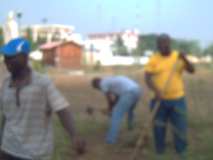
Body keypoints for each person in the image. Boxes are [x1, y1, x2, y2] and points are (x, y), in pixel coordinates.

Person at [0, 37, 86, 160]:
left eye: (12, 56)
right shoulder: (5, 83)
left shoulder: (42, 83)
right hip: (8, 150)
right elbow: (6, 116)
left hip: (34, 154)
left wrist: (74, 135)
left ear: (25, 57)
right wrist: (2, 143)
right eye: (5, 56)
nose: (7, 60)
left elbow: (62, 110)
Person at [144, 34, 195, 158]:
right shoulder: (154, 59)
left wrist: (185, 59)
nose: (162, 46)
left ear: (169, 43)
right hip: (158, 101)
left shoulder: (178, 57)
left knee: (180, 127)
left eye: (164, 43)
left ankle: (181, 151)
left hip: (177, 99)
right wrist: (156, 91)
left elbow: (192, 70)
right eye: (159, 44)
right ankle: (160, 152)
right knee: (159, 127)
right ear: (157, 45)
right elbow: (147, 77)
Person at [92, 76, 142, 144]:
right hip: (137, 90)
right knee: (130, 110)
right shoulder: (110, 80)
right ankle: (130, 128)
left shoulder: (102, 83)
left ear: (97, 84)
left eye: (97, 88)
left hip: (129, 92)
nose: (99, 89)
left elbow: (109, 99)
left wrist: (110, 109)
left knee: (116, 115)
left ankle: (110, 140)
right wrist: (112, 108)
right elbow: (117, 98)